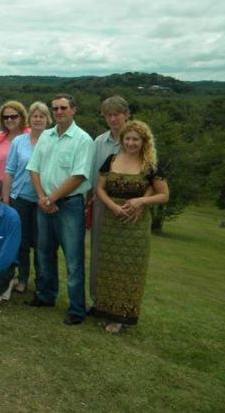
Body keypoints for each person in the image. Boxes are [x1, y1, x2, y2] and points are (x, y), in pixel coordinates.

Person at [93, 120, 169, 333]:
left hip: (135, 225)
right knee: (108, 267)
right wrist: (113, 207)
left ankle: (121, 317)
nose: (131, 143)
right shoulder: (112, 159)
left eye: (136, 139)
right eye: (127, 138)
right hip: (111, 221)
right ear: (122, 140)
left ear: (144, 141)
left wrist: (140, 202)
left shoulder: (150, 166)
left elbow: (164, 194)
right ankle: (106, 311)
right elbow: (99, 189)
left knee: (130, 271)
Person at [26, 94, 94, 326]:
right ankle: (46, 296)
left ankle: (76, 308)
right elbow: (33, 169)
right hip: (44, 202)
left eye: (63, 108)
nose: (59, 112)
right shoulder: (46, 136)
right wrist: (43, 197)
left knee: (73, 260)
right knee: (44, 252)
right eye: (55, 108)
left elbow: (79, 176)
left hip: (69, 205)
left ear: (73, 110)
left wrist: (51, 198)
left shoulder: (83, 140)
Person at [3, 101, 51, 294]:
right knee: (21, 242)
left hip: (44, 200)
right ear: (29, 119)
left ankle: (41, 283)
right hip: (20, 198)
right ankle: (22, 279)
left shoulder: (52, 140)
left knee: (41, 244)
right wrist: (6, 198)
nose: (38, 119)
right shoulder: (19, 141)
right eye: (34, 116)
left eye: (41, 116)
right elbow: (9, 170)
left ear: (47, 120)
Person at [89, 96, 131, 304]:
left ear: (127, 115)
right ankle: (98, 301)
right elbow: (93, 176)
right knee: (98, 252)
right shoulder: (99, 142)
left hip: (128, 206)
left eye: (117, 114)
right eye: (109, 115)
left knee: (123, 258)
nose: (113, 119)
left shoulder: (136, 140)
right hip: (101, 203)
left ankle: (118, 304)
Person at [0, 100, 29, 182]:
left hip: (21, 191)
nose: (9, 120)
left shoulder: (30, 137)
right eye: (5, 117)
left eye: (13, 116)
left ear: (21, 117)